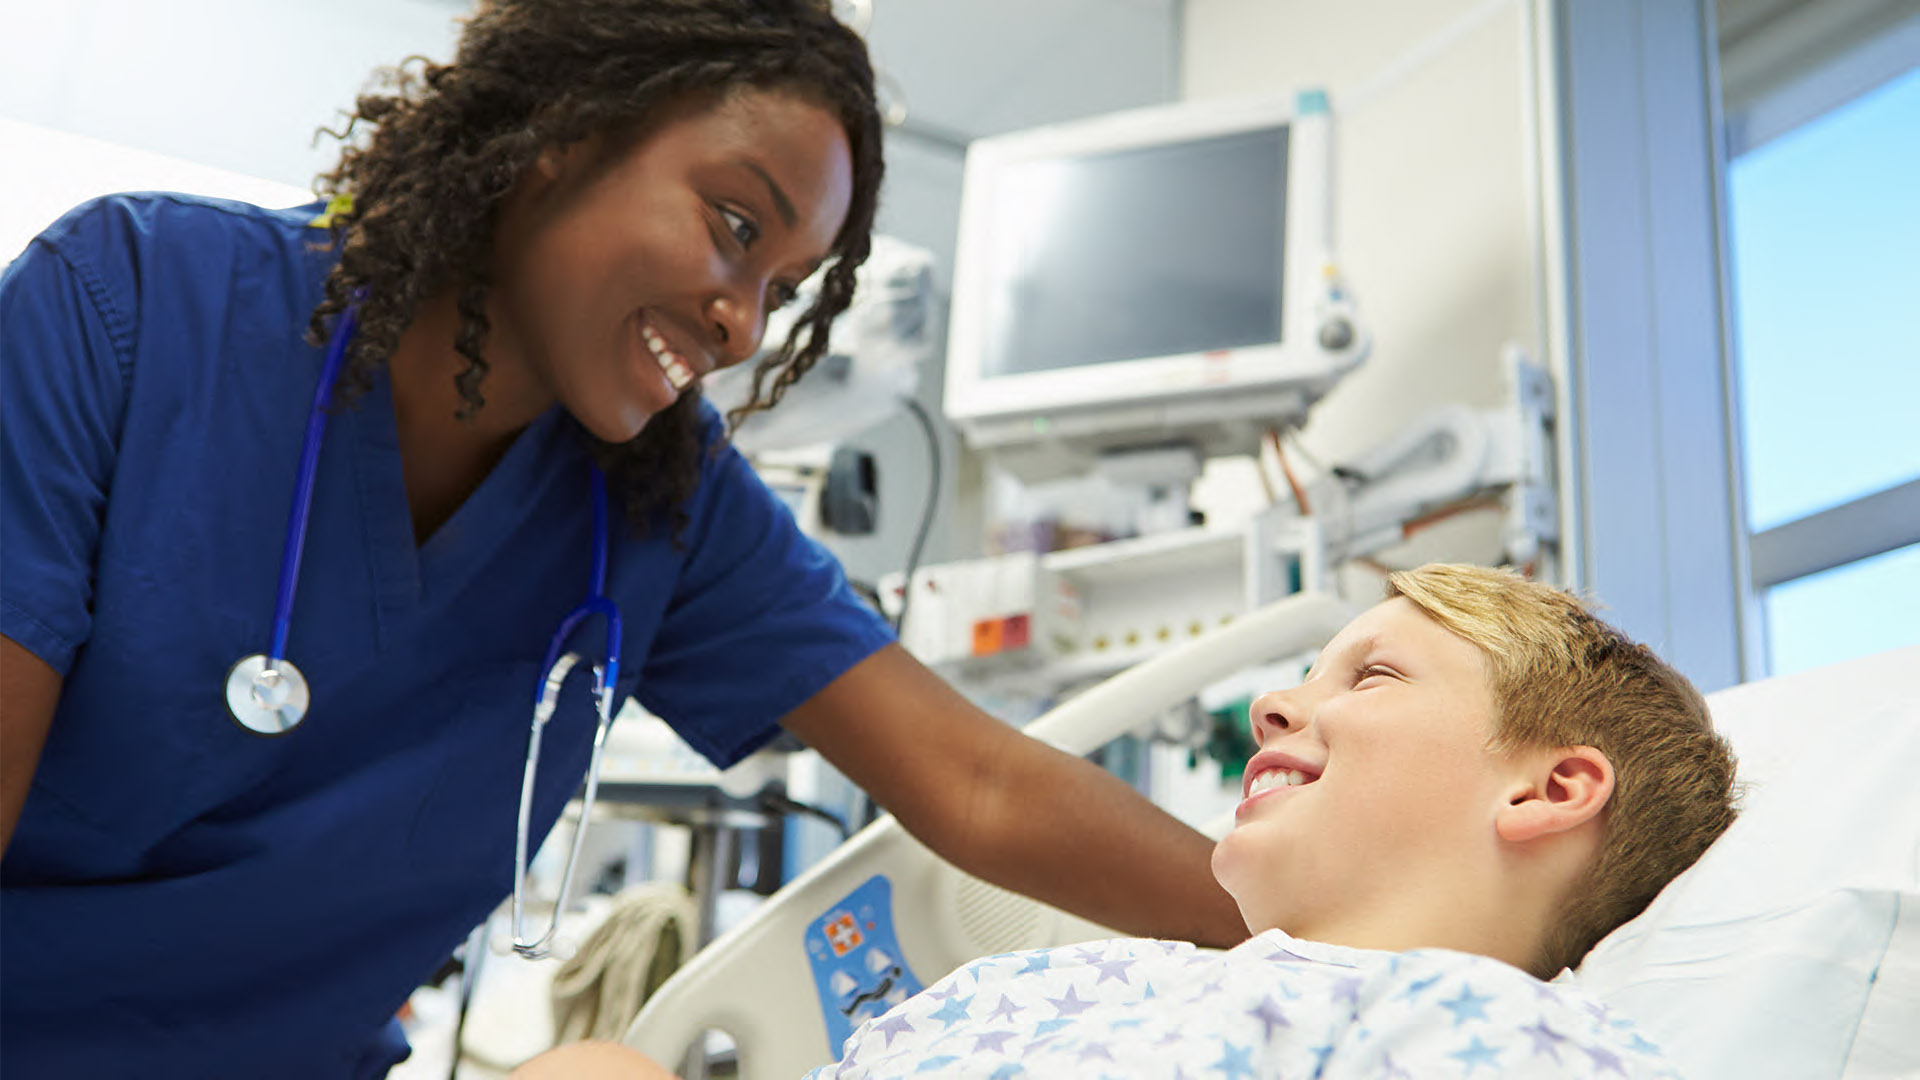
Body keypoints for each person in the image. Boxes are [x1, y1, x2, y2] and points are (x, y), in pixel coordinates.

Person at [0, 2, 1247, 1076]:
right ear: (563, 134)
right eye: (737, 228)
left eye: (784, 288)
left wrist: (1361, 938)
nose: (746, 324)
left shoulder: (659, 502)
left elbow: (978, 784)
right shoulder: (131, 308)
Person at [514, 563, 1740, 1078]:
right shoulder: (1093, 982)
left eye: (1369, 678)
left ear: (1550, 791)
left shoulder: (1487, 1032)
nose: (1273, 704)